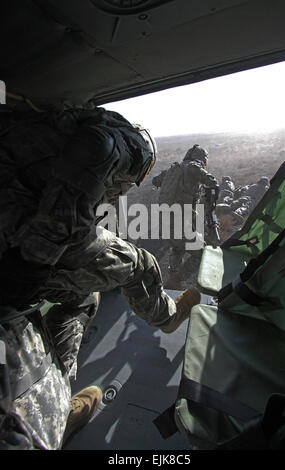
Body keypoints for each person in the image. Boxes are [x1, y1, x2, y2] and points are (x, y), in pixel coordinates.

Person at [0, 105, 201, 449]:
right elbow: (98, 145)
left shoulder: (40, 124)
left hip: (14, 227)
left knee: (81, 296)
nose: (119, 194)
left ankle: (57, 396)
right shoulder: (123, 142)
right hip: (19, 244)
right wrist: (31, 263)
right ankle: (167, 317)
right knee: (139, 263)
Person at [152, 144, 218, 289]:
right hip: (181, 223)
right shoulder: (193, 167)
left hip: (164, 222)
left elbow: (155, 180)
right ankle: (179, 279)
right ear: (202, 160)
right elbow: (212, 182)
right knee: (203, 254)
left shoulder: (172, 169)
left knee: (177, 248)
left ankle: (172, 281)